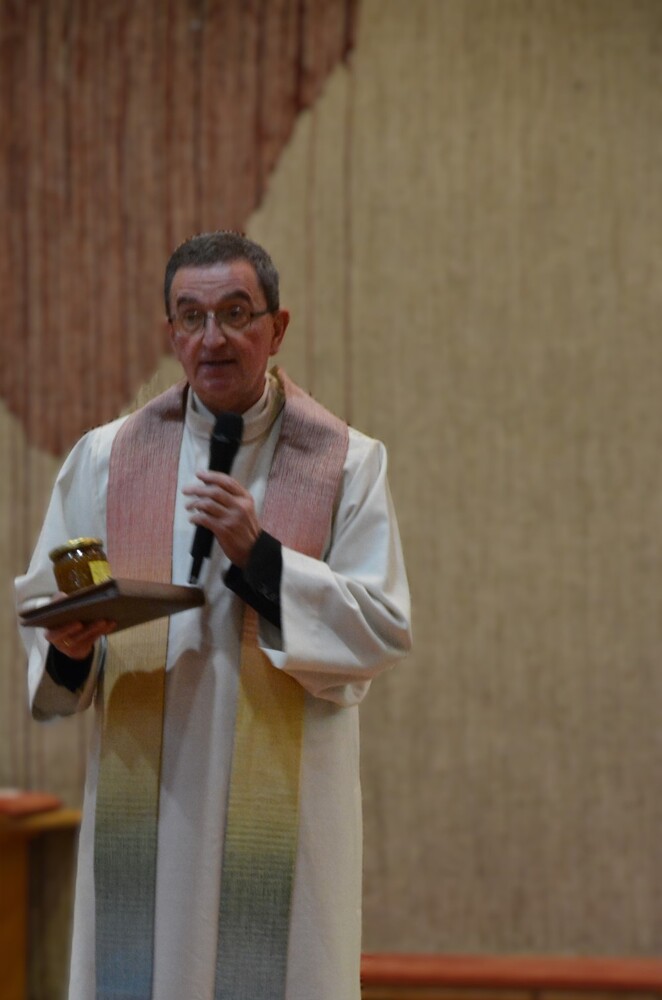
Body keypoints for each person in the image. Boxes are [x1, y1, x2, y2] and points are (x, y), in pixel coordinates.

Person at [15, 231, 411, 1000]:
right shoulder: (105, 459)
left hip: (283, 824)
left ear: (277, 327)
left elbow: (380, 629)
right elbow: (55, 617)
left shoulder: (345, 463)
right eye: (191, 317)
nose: (212, 338)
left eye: (235, 314)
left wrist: (260, 558)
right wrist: (70, 647)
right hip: (148, 805)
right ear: (171, 333)